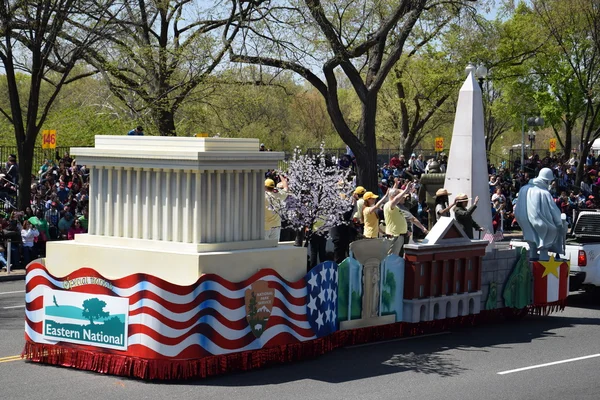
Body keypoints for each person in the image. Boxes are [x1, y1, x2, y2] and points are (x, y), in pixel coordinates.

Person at [515, 167, 568, 261]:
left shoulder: (524, 189)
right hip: (541, 223)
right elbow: (553, 210)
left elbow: (517, 207)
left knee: (532, 235)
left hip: (524, 220)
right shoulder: (544, 193)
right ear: (546, 181)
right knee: (552, 230)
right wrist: (560, 222)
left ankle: (533, 253)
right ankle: (543, 254)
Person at [264, 176, 288, 241]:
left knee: (264, 248)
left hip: (265, 227)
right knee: (274, 248)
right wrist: (280, 175)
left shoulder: (263, 196)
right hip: (276, 226)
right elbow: (286, 187)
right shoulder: (279, 194)